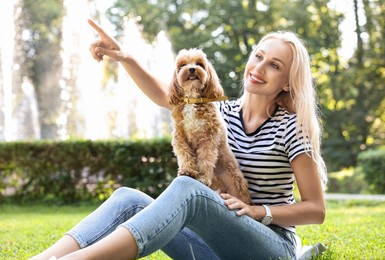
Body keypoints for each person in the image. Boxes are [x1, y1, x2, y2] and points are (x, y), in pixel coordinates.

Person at [30, 18, 327, 260]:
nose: (260, 68)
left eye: (274, 65)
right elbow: (166, 94)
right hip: (214, 247)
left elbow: (316, 210)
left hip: (270, 247)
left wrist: (257, 211)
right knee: (128, 199)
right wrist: (124, 56)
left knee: (189, 187)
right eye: (258, 57)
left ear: (288, 82)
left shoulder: (292, 128)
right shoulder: (218, 111)